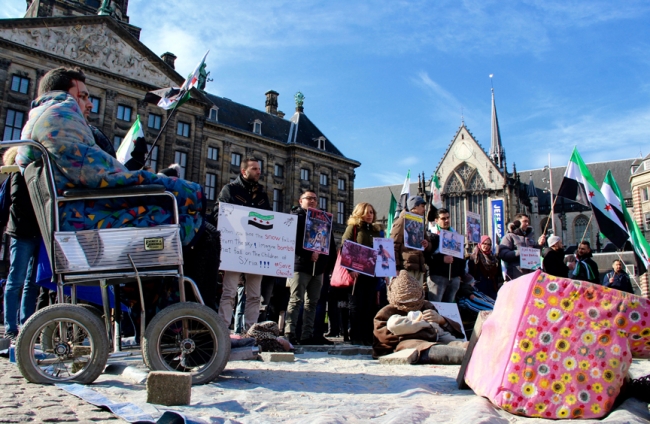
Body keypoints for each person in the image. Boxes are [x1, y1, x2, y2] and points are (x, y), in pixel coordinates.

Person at [16, 67, 206, 246]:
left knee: (182, 222)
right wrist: (185, 190)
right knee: (201, 231)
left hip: (79, 217)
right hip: (88, 225)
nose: (90, 104)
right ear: (65, 96)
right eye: (82, 97)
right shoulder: (60, 119)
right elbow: (108, 178)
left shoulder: (43, 120)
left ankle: (147, 281)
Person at [216, 158, 270, 331]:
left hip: (255, 250)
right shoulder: (230, 190)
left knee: (255, 295)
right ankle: (222, 329)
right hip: (235, 248)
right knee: (229, 292)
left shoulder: (262, 194)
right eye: (254, 168)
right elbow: (218, 214)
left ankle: (251, 331)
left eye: (259, 168)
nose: (258, 171)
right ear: (243, 171)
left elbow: (271, 219)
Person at [373, 270, 467, 364]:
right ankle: (460, 355)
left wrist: (441, 320)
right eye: (406, 301)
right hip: (411, 345)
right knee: (421, 347)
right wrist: (418, 327)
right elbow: (383, 340)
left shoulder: (426, 305)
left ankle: (467, 349)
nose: (411, 305)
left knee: (456, 343)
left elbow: (453, 332)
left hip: (437, 339)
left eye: (415, 300)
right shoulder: (386, 312)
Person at [284, 190, 336, 345]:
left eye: (314, 199)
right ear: (301, 201)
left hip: (319, 268)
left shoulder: (324, 219)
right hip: (300, 265)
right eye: (308, 198)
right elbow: (290, 241)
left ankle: (307, 335)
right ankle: (289, 333)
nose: (312, 201)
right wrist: (308, 255)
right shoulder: (295, 218)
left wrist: (328, 264)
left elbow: (330, 245)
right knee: (296, 300)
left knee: (312, 302)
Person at [1, 148, 41, 342]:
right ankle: (10, 327)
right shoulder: (18, 172)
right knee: (16, 280)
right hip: (22, 232)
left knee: (31, 283)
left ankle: (26, 326)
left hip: (36, 232)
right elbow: (16, 198)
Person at [342, 202, 383, 346]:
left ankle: (367, 335)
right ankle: (356, 335)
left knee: (370, 305)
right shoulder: (353, 228)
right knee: (356, 305)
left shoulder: (377, 230)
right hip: (357, 273)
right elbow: (345, 247)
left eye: (372, 212)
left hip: (373, 274)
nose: (370, 215)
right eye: (367, 212)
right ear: (360, 213)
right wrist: (350, 269)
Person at [426, 208, 465, 302]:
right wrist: (442, 259)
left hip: (454, 278)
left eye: (448, 218)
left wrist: (460, 275)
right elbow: (427, 257)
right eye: (443, 218)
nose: (447, 220)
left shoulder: (455, 235)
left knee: (449, 310)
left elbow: (461, 256)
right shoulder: (431, 235)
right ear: (436, 220)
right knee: (436, 307)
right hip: (438, 277)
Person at [390, 196, 430, 284]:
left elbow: (429, 245)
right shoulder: (401, 221)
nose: (424, 209)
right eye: (422, 206)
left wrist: (427, 244)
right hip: (406, 268)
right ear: (414, 207)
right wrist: (395, 268)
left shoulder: (420, 223)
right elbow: (393, 246)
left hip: (419, 268)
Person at [498, 213, 546, 281]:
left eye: (528, 222)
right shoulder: (509, 236)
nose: (527, 224)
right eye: (525, 221)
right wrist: (521, 252)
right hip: (516, 276)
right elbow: (503, 254)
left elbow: (536, 255)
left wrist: (539, 245)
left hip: (531, 276)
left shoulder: (530, 238)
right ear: (517, 223)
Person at [467, 235, 503, 300]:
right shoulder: (475, 257)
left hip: (492, 288)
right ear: (480, 243)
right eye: (484, 243)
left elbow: (497, 273)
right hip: (479, 287)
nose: (486, 246)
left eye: (489, 244)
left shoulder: (493, 258)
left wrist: (498, 257)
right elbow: (470, 272)